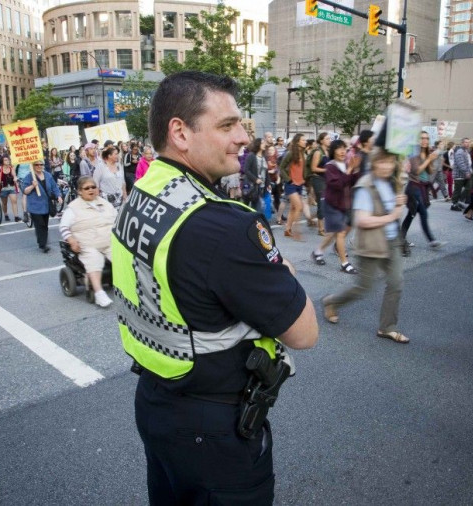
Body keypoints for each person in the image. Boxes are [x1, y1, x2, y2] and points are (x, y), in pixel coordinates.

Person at [112, 71, 318, 505]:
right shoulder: (226, 225)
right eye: (228, 125)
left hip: (156, 400)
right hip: (216, 431)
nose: (244, 137)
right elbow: (304, 334)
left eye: (240, 124)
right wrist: (283, 267)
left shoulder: (142, 192)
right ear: (180, 133)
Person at [321, 147, 409, 343]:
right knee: (364, 287)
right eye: (382, 162)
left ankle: (387, 327)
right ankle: (331, 301)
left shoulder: (392, 182)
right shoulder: (365, 185)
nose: (386, 166)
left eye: (390, 162)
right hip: (371, 243)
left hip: (391, 241)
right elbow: (362, 221)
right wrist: (392, 216)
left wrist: (400, 202)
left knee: (396, 282)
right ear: (374, 163)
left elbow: (395, 208)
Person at [59, 176, 117, 308]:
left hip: (109, 241)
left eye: (93, 187)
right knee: (94, 260)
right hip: (88, 244)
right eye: (87, 188)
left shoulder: (105, 203)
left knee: (122, 258)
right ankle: (99, 293)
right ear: (80, 191)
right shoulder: (73, 208)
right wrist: (71, 240)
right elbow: (64, 227)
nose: (91, 190)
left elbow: (117, 219)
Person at [311, 139, 360, 273]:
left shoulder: (345, 164)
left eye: (344, 148)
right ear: (333, 151)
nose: (343, 151)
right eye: (339, 148)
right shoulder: (330, 166)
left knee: (333, 234)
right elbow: (337, 184)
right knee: (340, 233)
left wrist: (355, 170)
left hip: (342, 204)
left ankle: (317, 251)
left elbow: (351, 182)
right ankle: (345, 263)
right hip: (331, 203)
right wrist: (350, 170)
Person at [400, 133, 446, 255]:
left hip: (423, 188)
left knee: (411, 214)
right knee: (423, 214)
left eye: (426, 138)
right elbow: (417, 171)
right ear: (418, 140)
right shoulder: (414, 154)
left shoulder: (427, 153)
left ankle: (400, 238)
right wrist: (429, 160)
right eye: (422, 138)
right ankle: (432, 240)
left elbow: (429, 171)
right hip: (414, 186)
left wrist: (434, 160)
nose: (425, 140)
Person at [21, 160, 61, 253]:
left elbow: (54, 187)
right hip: (35, 206)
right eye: (37, 165)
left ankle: (41, 241)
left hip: (45, 205)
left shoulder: (47, 175)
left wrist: (58, 196)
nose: (39, 166)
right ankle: (43, 245)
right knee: (40, 225)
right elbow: (25, 191)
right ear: (33, 165)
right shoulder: (29, 176)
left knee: (45, 225)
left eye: (41, 164)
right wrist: (32, 186)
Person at [279, 133, 308, 240]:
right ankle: (297, 233)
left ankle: (287, 230)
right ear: (297, 142)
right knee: (299, 207)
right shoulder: (291, 153)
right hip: (291, 184)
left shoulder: (303, 153)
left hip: (300, 184)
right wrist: (288, 179)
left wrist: (305, 179)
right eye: (303, 140)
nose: (305, 141)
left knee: (293, 208)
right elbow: (281, 167)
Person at [242, 138, 268, 211]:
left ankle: (254, 220)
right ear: (258, 144)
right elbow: (246, 170)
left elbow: (266, 171)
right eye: (262, 143)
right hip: (251, 185)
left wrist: (268, 183)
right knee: (246, 206)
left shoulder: (264, 156)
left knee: (257, 206)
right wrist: (255, 179)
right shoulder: (251, 156)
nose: (264, 144)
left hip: (261, 186)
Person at [0, 156, 21, 222]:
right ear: (2, 162)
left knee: (14, 201)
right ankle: (6, 214)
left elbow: (14, 175)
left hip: (11, 187)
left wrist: (15, 178)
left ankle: (16, 216)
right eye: (5, 160)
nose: (7, 161)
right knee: (4, 203)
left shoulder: (11, 167)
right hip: (3, 188)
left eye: (8, 160)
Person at [450, 137, 472, 211]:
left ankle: (459, 202)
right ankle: (454, 204)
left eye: (468, 142)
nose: (467, 144)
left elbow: (468, 163)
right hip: (459, 175)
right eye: (466, 142)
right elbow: (461, 164)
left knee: (469, 187)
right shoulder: (460, 152)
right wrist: (466, 172)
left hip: (464, 175)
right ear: (462, 143)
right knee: (457, 190)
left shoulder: (466, 151)